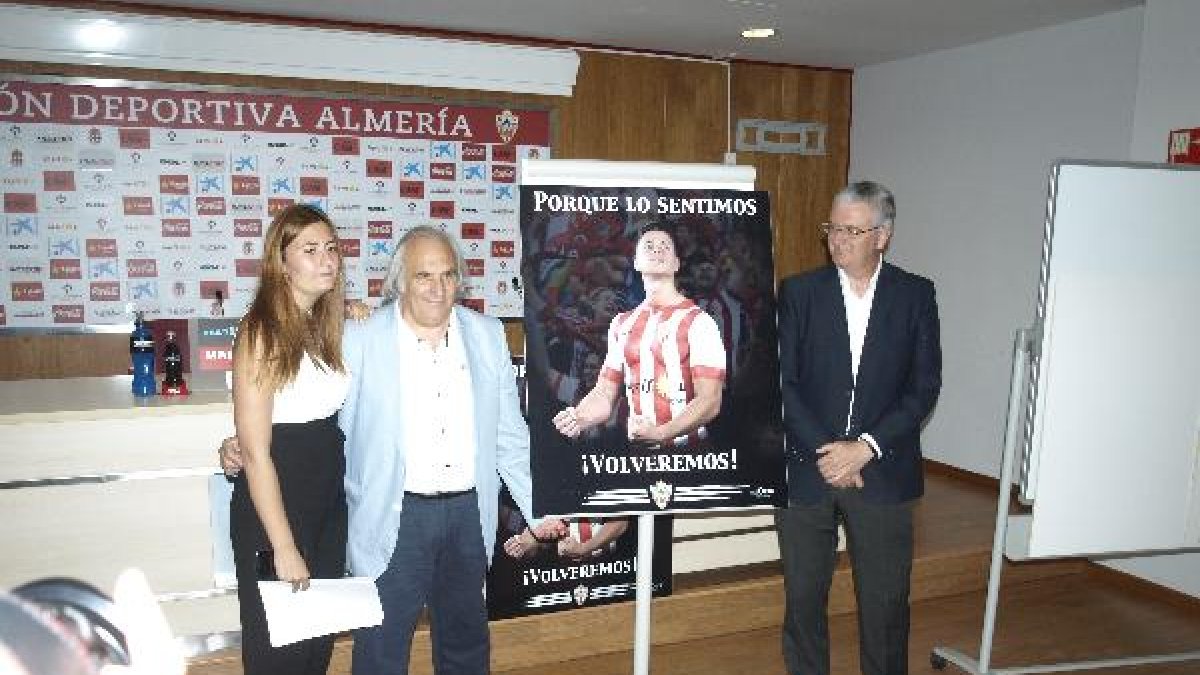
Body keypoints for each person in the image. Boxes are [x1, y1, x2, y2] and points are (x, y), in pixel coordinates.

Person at [223, 225, 563, 675]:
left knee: (467, 644)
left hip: (467, 516)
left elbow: (510, 438)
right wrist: (239, 444)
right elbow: (313, 413)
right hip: (393, 519)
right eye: (424, 276)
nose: (438, 288)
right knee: (380, 652)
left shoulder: (487, 334)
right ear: (400, 281)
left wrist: (539, 511)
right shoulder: (359, 339)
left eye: (448, 275)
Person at [774, 181, 941, 675]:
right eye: (832, 228)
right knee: (803, 601)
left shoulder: (915, 295)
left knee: (886, 608)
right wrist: (832, 453)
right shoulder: (800, 292)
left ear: (882, 236)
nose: (836, 240)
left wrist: (865, 447)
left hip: (883, 472)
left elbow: (923, 386)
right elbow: (783, 382)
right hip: (808, 469)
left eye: (851, 230)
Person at [228, 203, 350, 675]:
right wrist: (283, 545)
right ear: (282, 263)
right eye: (310, 250)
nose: (327, 260)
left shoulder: (327, 324)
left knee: (315, 644)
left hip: (327, 502)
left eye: (332, 249)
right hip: (276, 505)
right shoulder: (260, 332)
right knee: (276, 651)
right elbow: (257, 452)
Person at [552, 222, 726, 448]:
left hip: (690, 459)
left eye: (665, 246)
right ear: (635, 262)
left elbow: (710, 400)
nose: (657, 249)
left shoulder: (700, 322)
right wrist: (578, 416)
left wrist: (661, 433)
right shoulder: (621, 323)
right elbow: (605, 393)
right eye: (649, 245)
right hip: (639, 460)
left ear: (677, 263)